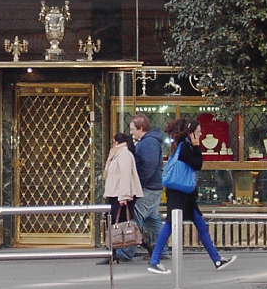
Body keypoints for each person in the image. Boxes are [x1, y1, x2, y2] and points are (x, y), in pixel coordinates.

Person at [146, 118, 237, 275]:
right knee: (169, 225)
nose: (201, 134)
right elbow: (198, 164)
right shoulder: (185, 147)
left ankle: (216, 259)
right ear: (191, 133)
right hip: (180, 194)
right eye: (198, 132)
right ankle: (154, 261)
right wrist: (196, 147)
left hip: (184, 194)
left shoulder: (182, 146)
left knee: (200, 225)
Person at [101, 132, 144, 264]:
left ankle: (145, 246)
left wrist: (124, 196)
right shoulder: (118, 153)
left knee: (122, 224)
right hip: (115, 194)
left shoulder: (124, 153)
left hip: (120, 195)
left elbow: (125, 175)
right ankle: (113, 253)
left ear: (115, 141)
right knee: (117, 224)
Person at [128, 114, 166, 257]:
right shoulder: (150, 141)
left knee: (135, 217)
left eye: (133, 129)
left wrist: (139, 185)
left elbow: (148, 166)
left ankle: (127, 251)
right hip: (153, 186)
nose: (131, 132)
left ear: (141, 128)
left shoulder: (148, 142)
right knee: (152, 219)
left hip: (147, 188)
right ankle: (161, 250)